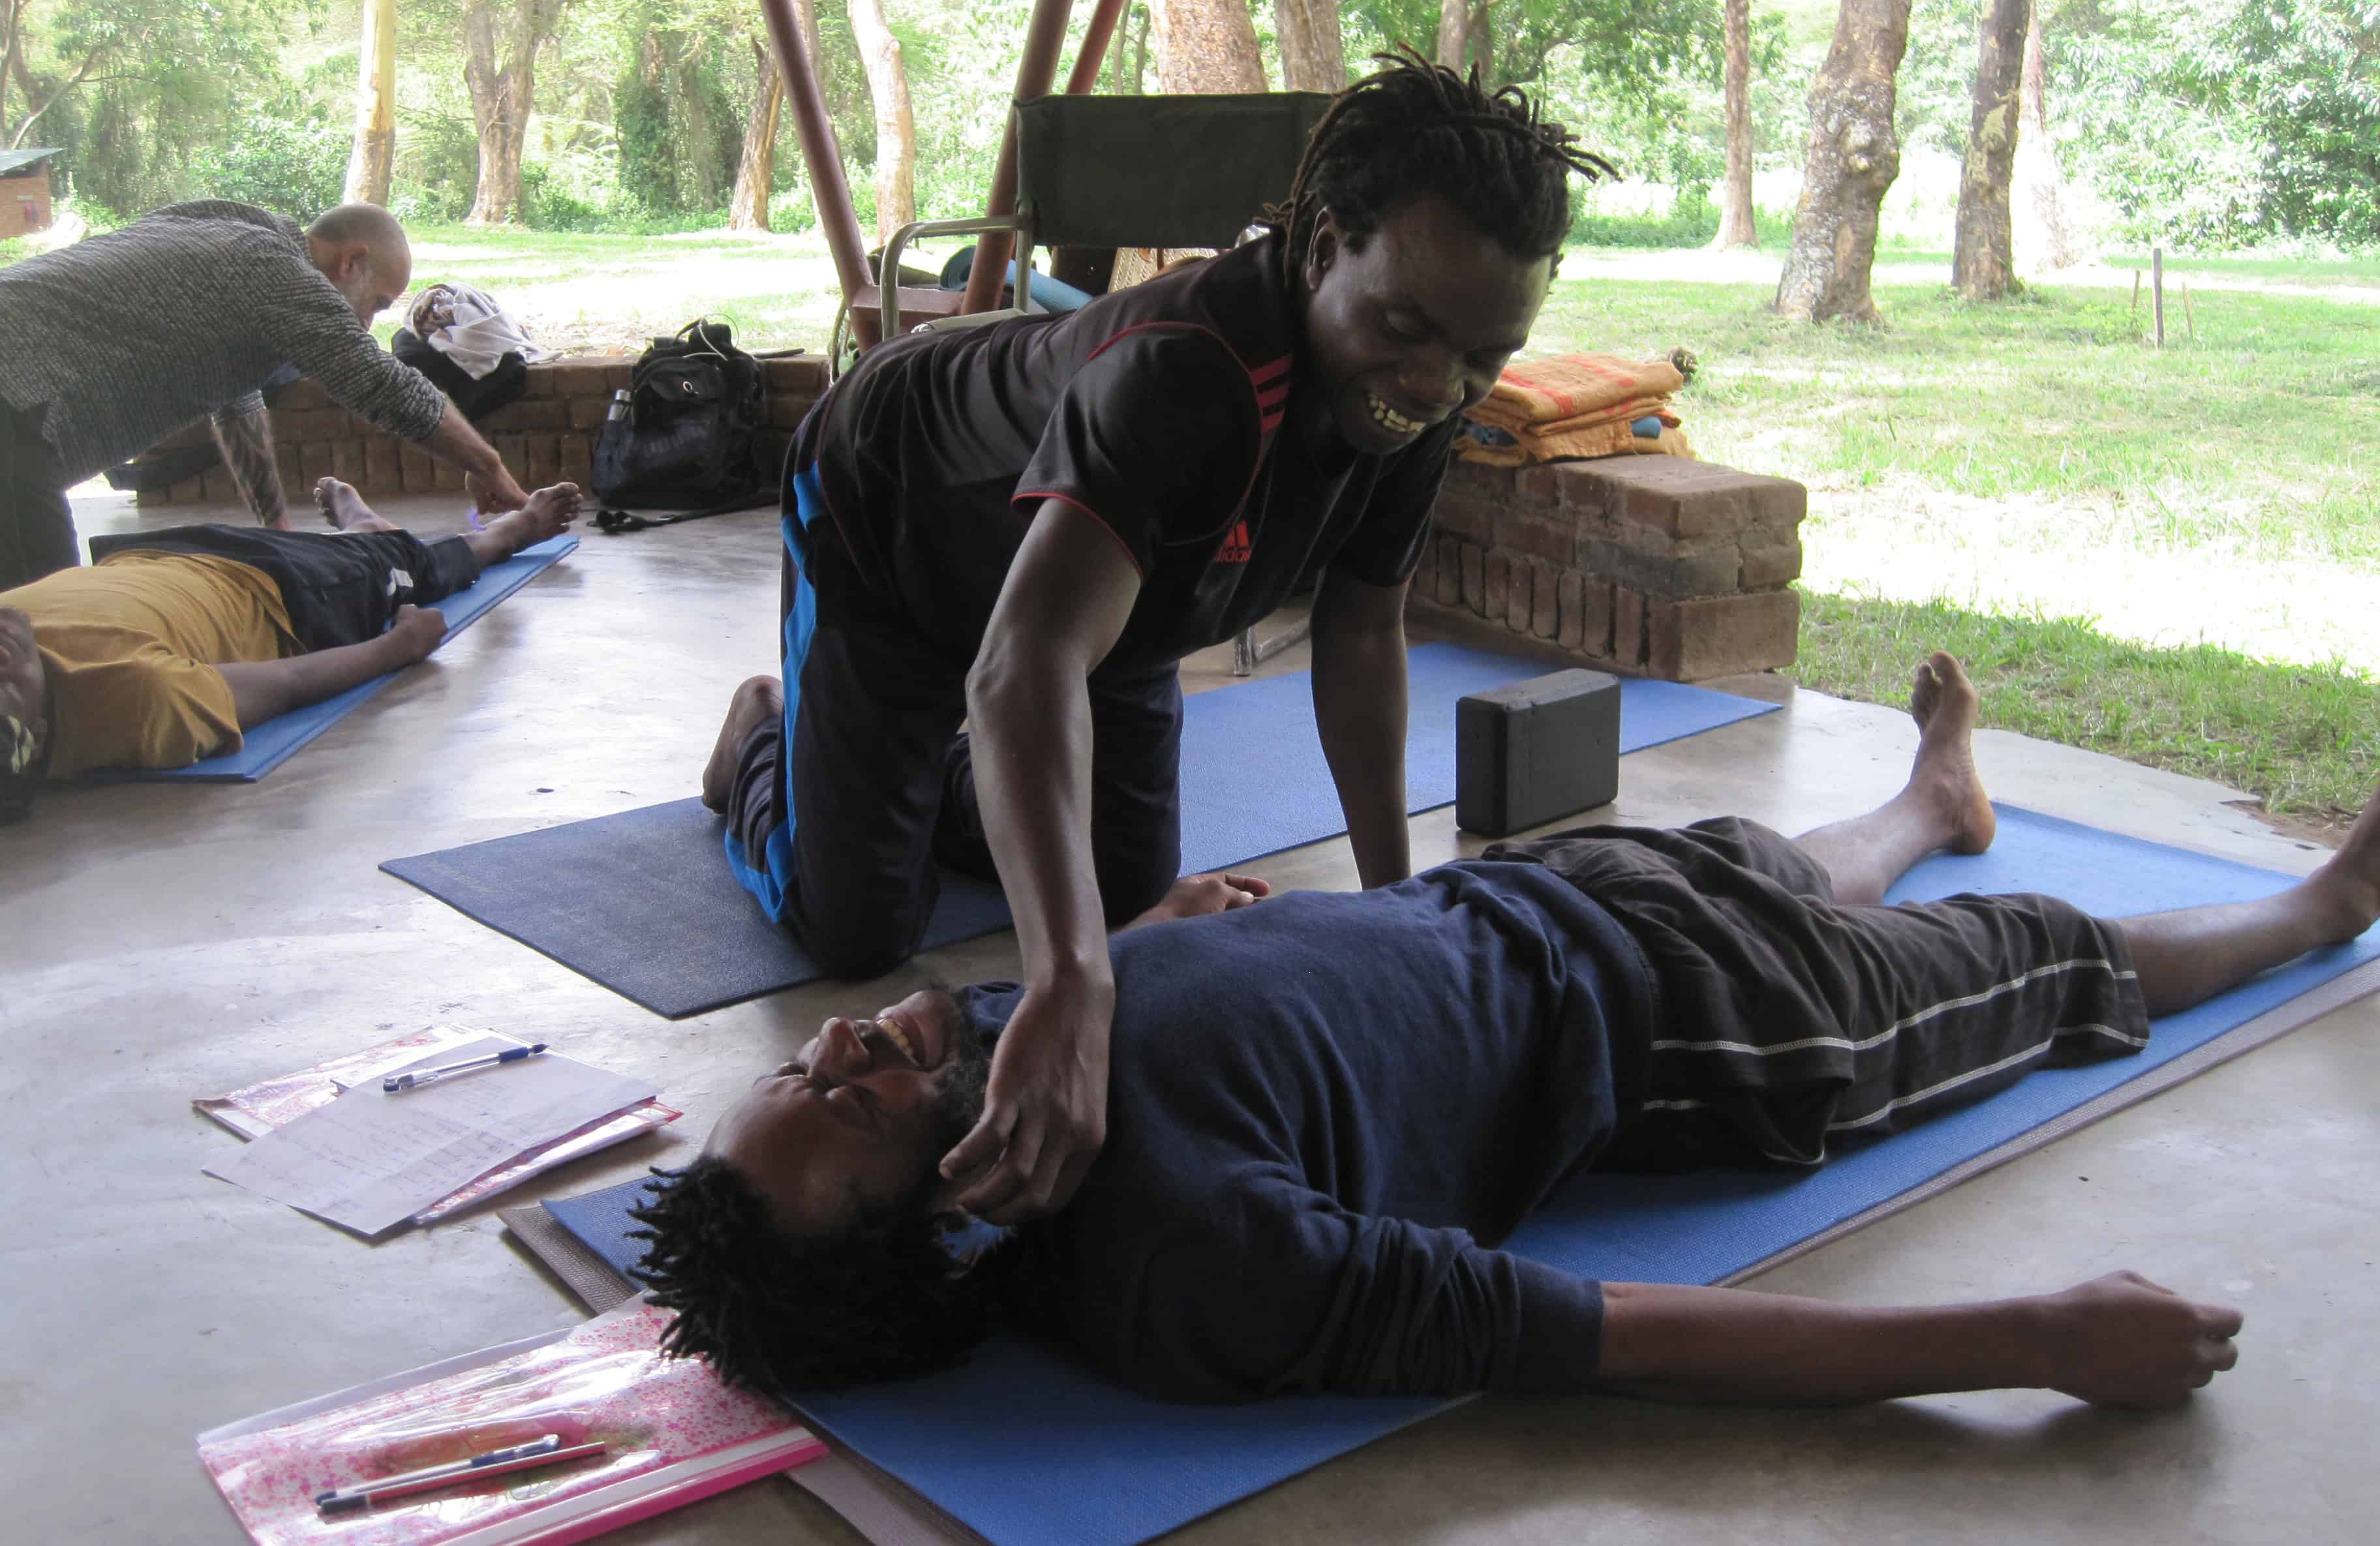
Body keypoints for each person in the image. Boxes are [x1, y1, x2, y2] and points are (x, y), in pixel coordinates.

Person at [635, 654, 2380, 1412]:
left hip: (1538, 896)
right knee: (2049, 954)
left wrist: (1162, 934)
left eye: (803, 1065)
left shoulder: (1002, 1075)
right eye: (849, 1106)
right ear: (954, 1230)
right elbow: (1616, 1337)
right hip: (1705, 1033)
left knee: (1777, 854)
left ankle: (1930, 800)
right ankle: (2320, 914)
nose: (851, 1053)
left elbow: (1130, 1006)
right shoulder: (1192, 1272)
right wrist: (2036, 1341)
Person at [703, 52, 1613, 1226]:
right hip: (893, 523)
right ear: (1324, 243)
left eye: (1481, 357)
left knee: (1132, 901)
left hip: (1104, 618)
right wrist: (1064, 976)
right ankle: (763, 745)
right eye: (1405, 327)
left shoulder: (1419, 392)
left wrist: (1399, 906)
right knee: (860, 929)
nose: (1437, 380)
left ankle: (933, 767)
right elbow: (1021, 664)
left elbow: (1361, 634)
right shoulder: (1187, 370)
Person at [0, 198, 534, 589]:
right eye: (376, 302)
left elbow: (237, 398)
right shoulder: (274, 271)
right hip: (12, 401)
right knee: (50, 616)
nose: (368, 322)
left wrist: (276, 529)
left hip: (18, 408)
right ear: (350, 262)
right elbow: (381, 383)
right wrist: (486, 464)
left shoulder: (230, 235)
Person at [0, 477, 580, 806]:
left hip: (158, 553)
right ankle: (505, 535)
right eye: (8, 685)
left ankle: (365, 533)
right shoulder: (134, 702)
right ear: (42, 730)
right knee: (406, 566)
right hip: (281, 593)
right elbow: (287, 684)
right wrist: (400, 647)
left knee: (374, 552)